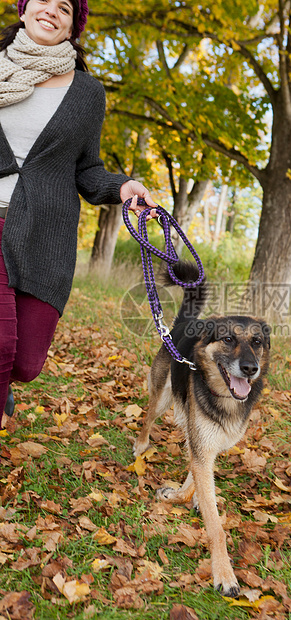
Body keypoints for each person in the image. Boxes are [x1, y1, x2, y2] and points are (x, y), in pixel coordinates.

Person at [0, 0, 157, 427]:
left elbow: (87, 170)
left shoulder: (87, 92)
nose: (51, 10)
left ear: (73, 24)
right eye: (43, 1)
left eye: (64, 7)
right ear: (24, 9)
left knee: (25, 361)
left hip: (46, 236)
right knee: (0, 343)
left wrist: (122, 186)